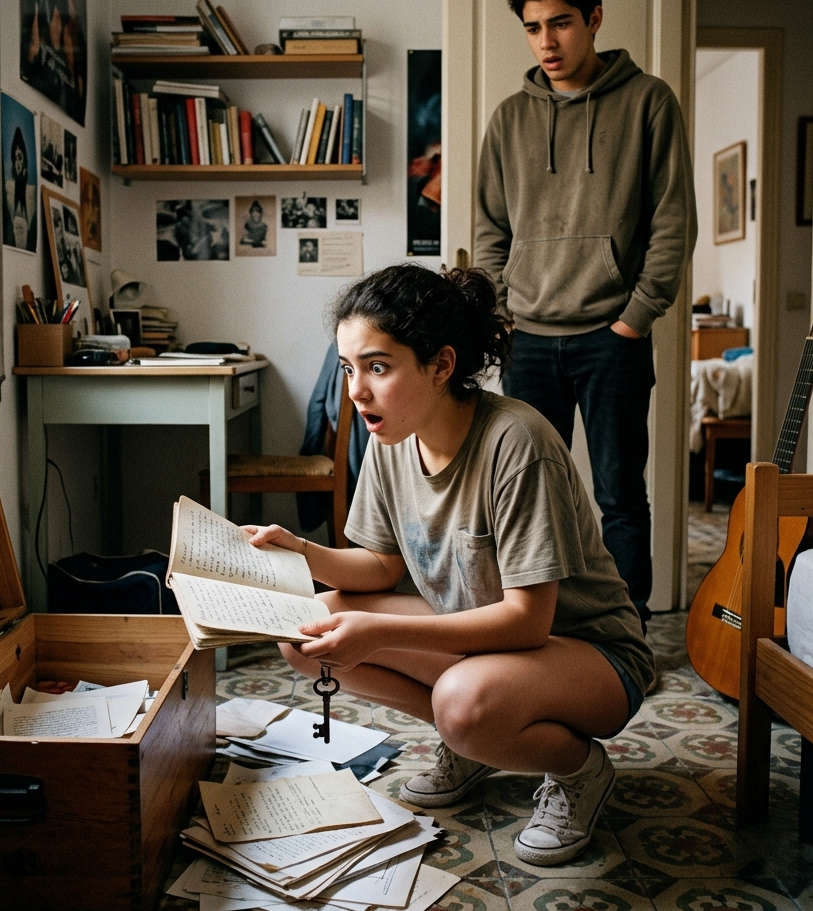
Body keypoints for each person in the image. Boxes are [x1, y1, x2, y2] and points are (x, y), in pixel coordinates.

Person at [247, 264, 653, 867]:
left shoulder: (517, 442)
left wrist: (380, 631)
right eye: (349, 368)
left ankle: (578, 770)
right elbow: (380, 566)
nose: (356, 392)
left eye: (378, 367)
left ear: (441, 366)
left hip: (589, 654)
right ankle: (474, 742)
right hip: (484, 641)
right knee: (307, 630)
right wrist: (301, 553)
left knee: (462, 704)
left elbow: (526, 623)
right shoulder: (391, 437)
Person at [474, 0, 697, 630]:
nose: (548, 41)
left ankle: (627, 640)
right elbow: (489, 229)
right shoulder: (510, 118)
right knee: (524, 494)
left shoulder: (648, 102)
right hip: (530, 342)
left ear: (595, 19)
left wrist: (635, 317)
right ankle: (533, 626)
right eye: (534, 27)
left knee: (621, 497)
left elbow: (672, 221)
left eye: (562, 24)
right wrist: (500, 318)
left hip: (612, 340)